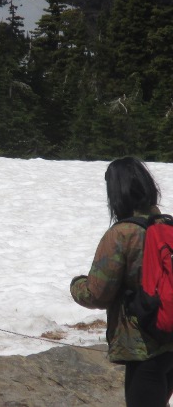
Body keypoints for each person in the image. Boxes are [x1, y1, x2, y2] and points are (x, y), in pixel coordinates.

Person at [71, 156, 173, 407]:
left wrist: (76, 285)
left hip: (143, 346)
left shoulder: (121, 233)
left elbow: (98, 293)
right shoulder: (167, 224)